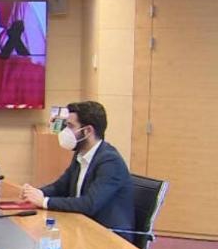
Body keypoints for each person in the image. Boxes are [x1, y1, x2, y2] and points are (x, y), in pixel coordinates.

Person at [20, 101, 134, 240]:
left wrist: (44, 201)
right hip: (84, 227)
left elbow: (89, 204)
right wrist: (38, 192)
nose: (65, 131)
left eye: (70, 126)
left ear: (88, 131)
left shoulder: (110, 161)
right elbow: (60, 186)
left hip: (109, 236)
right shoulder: (81, 153)